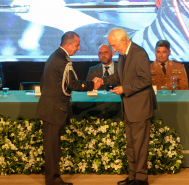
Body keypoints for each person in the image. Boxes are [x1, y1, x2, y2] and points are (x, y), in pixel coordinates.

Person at [95, 28, 157, 185]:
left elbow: (145, 80)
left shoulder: (139, 53)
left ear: (123, 40)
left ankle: (141, 179)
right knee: (131, 145)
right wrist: (103, 80)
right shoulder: (123, 55)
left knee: (140, 146)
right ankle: (133, 177)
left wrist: (124, 88)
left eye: (114, 46)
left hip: (140, 107)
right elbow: (119, 76)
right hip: (129, 107)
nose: (113, 50)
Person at [36, 31, 97, 185]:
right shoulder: (63, 61)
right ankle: (53, 180)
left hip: (50, 108)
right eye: (77, 45)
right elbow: (72, 84)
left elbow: (44, 83)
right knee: (53, 149)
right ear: (68, 45)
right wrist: (92, 85)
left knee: (51, 147)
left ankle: (52, 179)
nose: (78, 48)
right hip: (55, 110)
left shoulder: (53, 56)